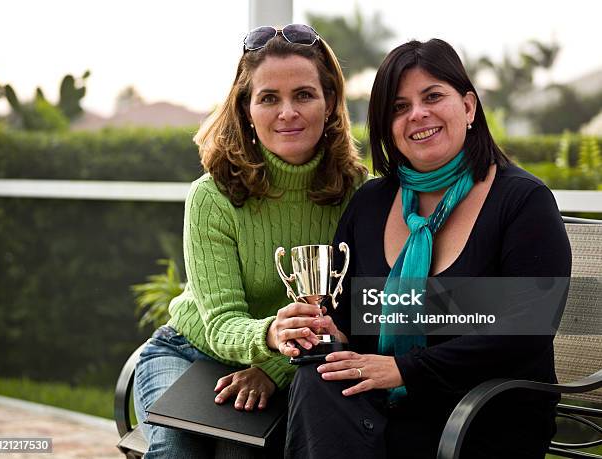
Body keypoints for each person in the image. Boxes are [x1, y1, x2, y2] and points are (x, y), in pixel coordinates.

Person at [281, 39, 572, 459]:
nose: (417, 114)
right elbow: (346, 316)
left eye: (433, 96)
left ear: (469, 107)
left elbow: (524, 329)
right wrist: (323, 331)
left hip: (480, 414)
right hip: (381, 410)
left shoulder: (522, 201)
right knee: (315, 379)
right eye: (399, 107)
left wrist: (404, 369)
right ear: (387, 126)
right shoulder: (370, 204)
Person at [133, 24, 367, 458]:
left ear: (330, 101)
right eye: (269, 98)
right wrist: (272, 336)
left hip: (288, 364)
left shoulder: (357, 192)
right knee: (175, 452)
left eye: (303, 95)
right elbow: (221, 321)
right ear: (246, 109)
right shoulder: (212, 196)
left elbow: (348, 312)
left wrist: (274, 369)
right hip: (189, 352)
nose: (287, 112)